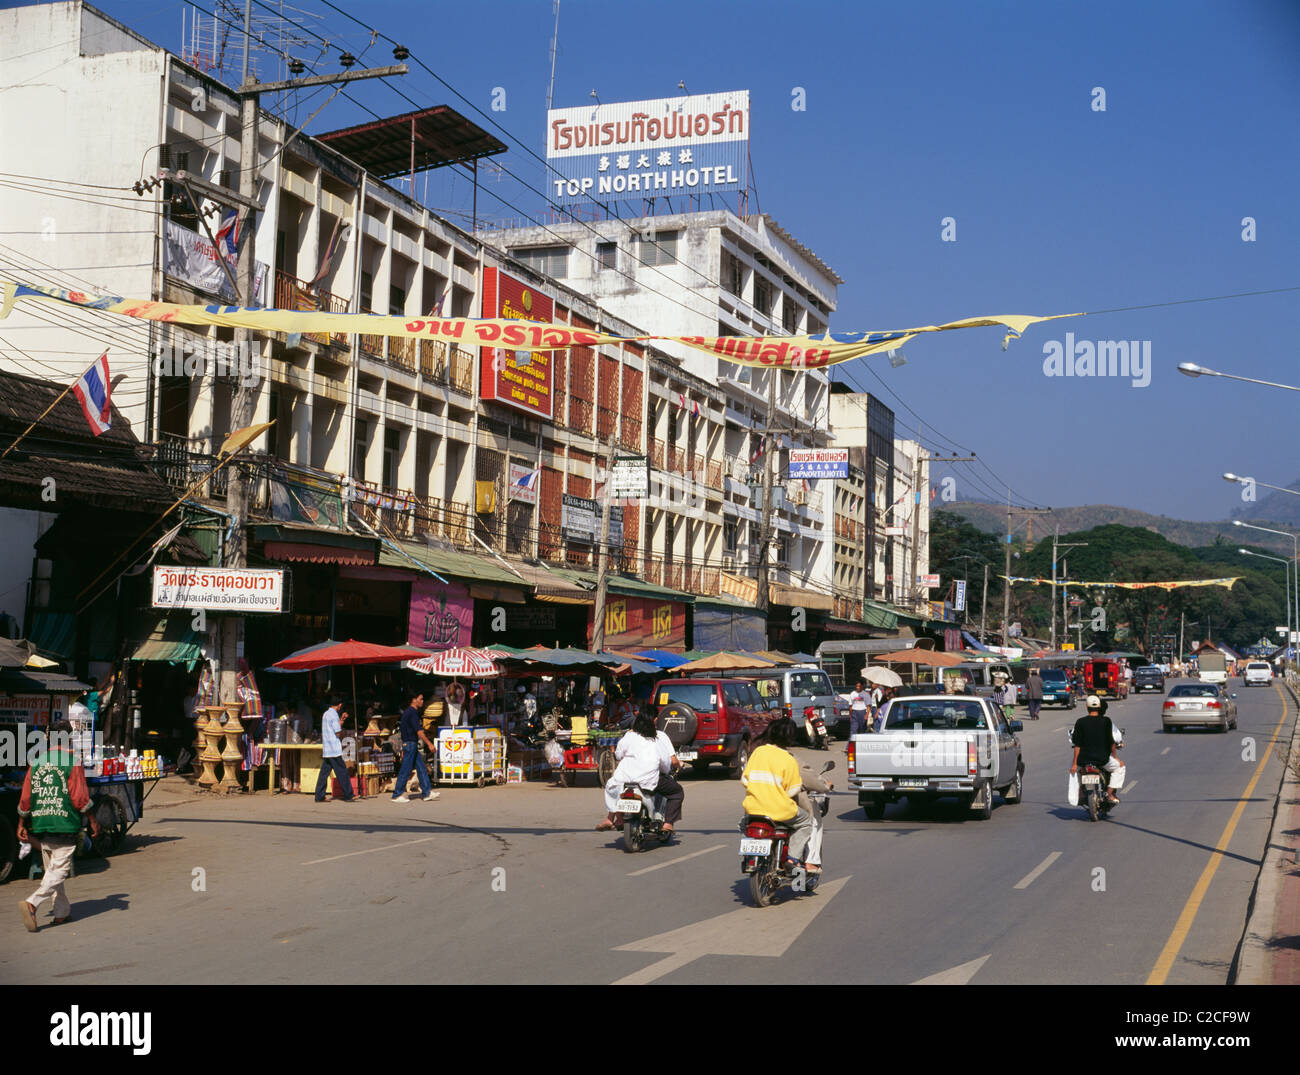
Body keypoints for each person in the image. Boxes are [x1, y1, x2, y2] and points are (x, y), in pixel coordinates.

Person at [17, 721, 100, 931]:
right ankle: (32, 903)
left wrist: (21, 823)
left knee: (52, 871)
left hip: (41, 823)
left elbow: (26, 797)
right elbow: (80, 798)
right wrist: (92, 820)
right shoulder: (72, 762)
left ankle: (61, 914)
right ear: (69, 738)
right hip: (64, 823)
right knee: (59, 872)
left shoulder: (36, 762)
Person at [740, 718, 814, 869]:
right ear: (791, 737)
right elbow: (792, 790)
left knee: (742, 825)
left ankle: (750, 855)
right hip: (780, 811)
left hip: (753, 810)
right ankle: (793, 858)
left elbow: (745, 780)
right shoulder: (789, 759)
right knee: (805, 822)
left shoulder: (757, 752)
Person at [595, 712, 682, 833]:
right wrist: (665, 771)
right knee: (677, 792)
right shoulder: (657, 741)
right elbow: (665, 764)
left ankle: (612, 818)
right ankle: (668, 824)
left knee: (615, 787)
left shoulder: (629, 737)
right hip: (647, 781)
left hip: (623, 779)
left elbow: (618, 754)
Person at [1069, 695, 1125, 804]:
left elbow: (1077, 745)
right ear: (1099, 706)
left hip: (1083, 760)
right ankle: (1109, 794)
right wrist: (1115, 757)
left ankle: (1079, 794)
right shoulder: (1106, 721)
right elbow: (1111, 742)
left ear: (1087, 707)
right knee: (1120, 768)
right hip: (1102, 760)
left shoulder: (1080, 722)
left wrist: (1074, 764)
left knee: (1074, 771)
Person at [392, 690, 439, 804]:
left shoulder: (410, 712)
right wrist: (429, 743)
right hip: (409, 744)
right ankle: (397, 794)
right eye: (421, 699)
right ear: (414, 700)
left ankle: (427, 792)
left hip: (411, 743)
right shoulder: (412, 712)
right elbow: (419, 731)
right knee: (406, 769)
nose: (422, 701)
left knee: (421, 767)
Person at [315, 697, 356, 803]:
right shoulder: (333, 715)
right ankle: (348, 794)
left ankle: (319, 795)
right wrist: (342, 722)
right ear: (339, 705)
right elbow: (337, 731)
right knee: (342, 772)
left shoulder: (326, 714)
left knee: (324, 773)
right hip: (334, 748)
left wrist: (341, 719)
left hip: (328, 748)